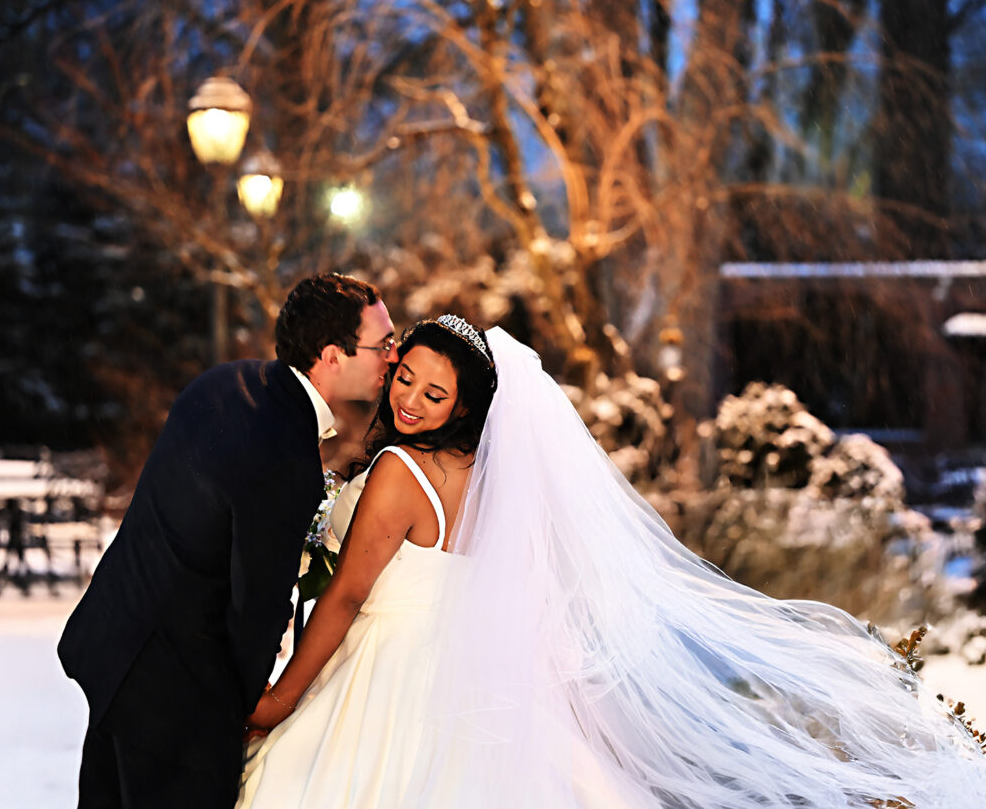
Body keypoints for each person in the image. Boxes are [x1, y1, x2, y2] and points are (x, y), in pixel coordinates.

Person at [239, 317, 986, 808]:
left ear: (465, 404)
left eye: (435, 393)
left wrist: (277, 699)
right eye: (405, 378)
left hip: (387, 677)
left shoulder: (401, 469)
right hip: (472, 680)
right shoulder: (489, 478)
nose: (409, 399)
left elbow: (342, 599)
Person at [58, 273, 397, 808]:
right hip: (178, 705)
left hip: (117, 655)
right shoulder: (286, 452)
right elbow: (256, 602)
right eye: (384, 345)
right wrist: (253, 704)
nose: (393, 358)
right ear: (333, 355)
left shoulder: (228, 383)